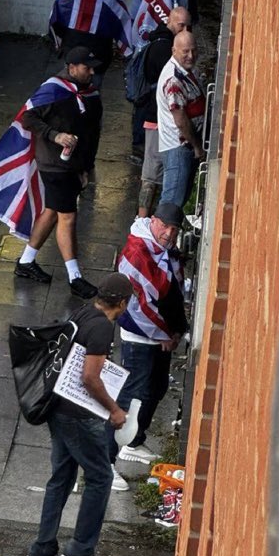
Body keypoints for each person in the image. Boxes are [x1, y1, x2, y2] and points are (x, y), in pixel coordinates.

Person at [24, 272, 135, 556]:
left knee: (61, 478)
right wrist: (114, 409)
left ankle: (43, 547)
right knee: (101, 477)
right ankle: (81, 550)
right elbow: (89, 377)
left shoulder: (84, 312)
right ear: (122, 303)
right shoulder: (102, 328)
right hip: (78, 416)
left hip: (58, 409)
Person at [12, 46, 104, 299]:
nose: (92, 72)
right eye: (87, 67)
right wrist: (55, 135)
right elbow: (28, 117)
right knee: (68, 217)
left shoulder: (91, 94)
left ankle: (26, 261)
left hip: (73, 165)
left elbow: (93, 133)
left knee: (53, 211)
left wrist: (86, 166)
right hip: (54, 164)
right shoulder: (53, 90)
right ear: (72, 67)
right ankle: (75, 277)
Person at [109, 202, 188, 482]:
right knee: (131, 395)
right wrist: (166, 334)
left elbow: (171, 293)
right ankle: (105, 460)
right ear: (153, 221)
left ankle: (133, 441)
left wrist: (176, 330)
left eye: (174, 228)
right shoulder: (137, 252)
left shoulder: (160, 249)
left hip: (158, 335)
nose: (169, 233)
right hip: (140, 337)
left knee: (156, 387)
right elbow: (138, 307)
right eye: (165, 226)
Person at [136, 6, 192, 218]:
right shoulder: (164, 49)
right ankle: (143, 221)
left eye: (188, 26)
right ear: (171, 22)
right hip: (156, 120)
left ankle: (146, 219)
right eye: (181, 25)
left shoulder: (160, 42)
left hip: (157, 118)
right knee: (151, 176)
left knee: (155, 175)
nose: (185, 29)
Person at [48, 0, 133, 89]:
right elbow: (123, 25)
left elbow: (54, 20)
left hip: (71, 50)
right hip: (99, 55)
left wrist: (59, 44)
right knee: (93, 94)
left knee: (68, 90)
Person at [156, 30, 206, 207]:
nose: (191, 56)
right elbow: (180, 119)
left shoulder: (185, 70)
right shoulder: (174, 81)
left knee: (179, 198)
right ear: (174, 51)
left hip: (185, 146)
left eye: (193, 50)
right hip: (179, 147)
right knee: (171, 204)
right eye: (185, 51)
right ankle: (160, 233)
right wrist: (197, 147)